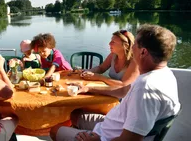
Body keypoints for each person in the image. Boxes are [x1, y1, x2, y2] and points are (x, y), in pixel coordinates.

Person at [51, 25, 181, 141]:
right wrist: (88, 88)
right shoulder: (166, 74)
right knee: (75, 114)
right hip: (112, 124)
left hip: (108, 135)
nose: (132, 47)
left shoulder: (145, 87)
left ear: (143, 52)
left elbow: (131, 139)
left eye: (135, 44)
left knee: (55, 130)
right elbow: (123, 90)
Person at [79, 30, 139, 98]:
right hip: (111, 92)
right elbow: (101, 68)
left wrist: (99, 77)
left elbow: (123, 86)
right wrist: (89, 71)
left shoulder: (135, 62)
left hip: (126, 100)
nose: (109, 44)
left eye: (113, 42)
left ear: (125, 46)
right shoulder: (113, 55)